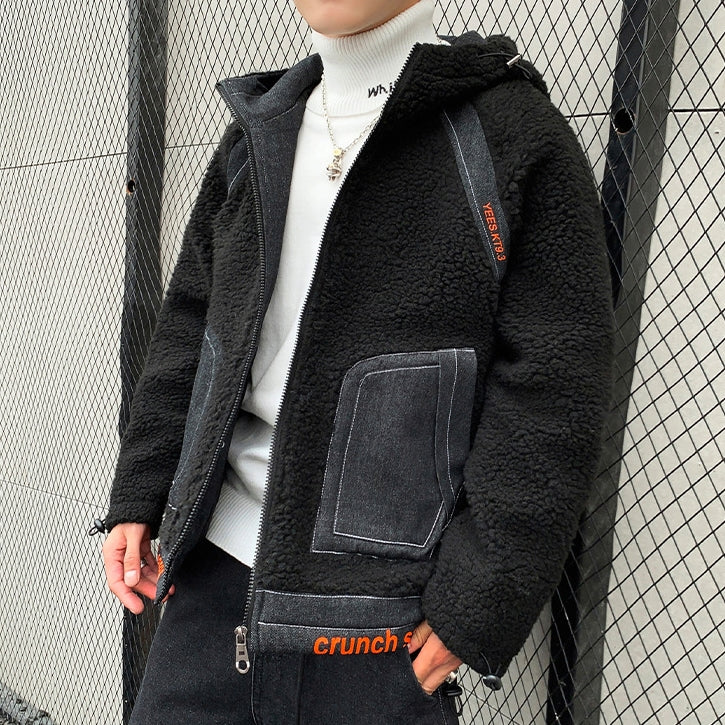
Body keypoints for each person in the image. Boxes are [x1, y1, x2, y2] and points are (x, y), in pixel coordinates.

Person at [101, 0, 614, 722]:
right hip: (207, 593)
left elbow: (554, 387)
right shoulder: (258, 131)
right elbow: (190, 319)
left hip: (380, 626)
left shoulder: (509, 134)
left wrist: (476, 603)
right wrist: (140, 492)